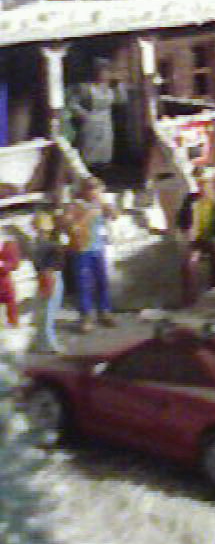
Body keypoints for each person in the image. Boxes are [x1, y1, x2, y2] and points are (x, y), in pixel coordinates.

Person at [175, 167, 215, 306]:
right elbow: (181, 220)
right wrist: (187, 232)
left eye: (206, 182)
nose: (203, 185)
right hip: (196, 239)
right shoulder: (191, 199)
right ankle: (190, 300)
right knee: (190, 263)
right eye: (200, 182)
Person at [63, 176, 116, 332]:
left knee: (102, 280)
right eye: (91, 189)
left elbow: (114, 216)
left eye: (97, 189)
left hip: (98, 247)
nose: (95, 193)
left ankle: (104, 310)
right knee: (83, 283)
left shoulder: (100, 204)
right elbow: (68, 225)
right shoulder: (74, 206)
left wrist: (109, 209)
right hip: (81, 249)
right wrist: (88, 214)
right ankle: (86, 315)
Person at [67, 58, 125, 168]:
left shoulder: (110, 88)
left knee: (104, 150)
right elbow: (72, 103)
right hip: (90, 121)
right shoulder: (85, 87)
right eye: (101, 71)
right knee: (89, 150)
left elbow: (121, 100)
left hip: (106, 121)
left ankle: (103, 171)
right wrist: (83, 115)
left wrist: (119, 84)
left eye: (106, 71)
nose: (103, 74)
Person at [29, 203, 68, 353]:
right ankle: (48, 344)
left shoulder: (38, 244)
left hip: (46, 276)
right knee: (48, 311)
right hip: (50, 277)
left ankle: (42, 341)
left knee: (44, 311)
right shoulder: (51, 245)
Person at [0, 231, 19, 328]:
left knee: (10, 302)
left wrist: (2, 265)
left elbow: (15, 264)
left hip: (3, 282)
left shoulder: (8, 243)